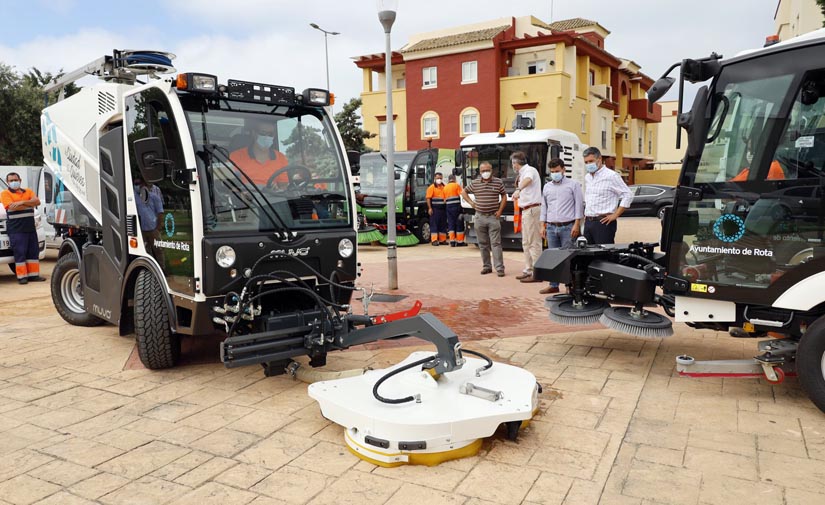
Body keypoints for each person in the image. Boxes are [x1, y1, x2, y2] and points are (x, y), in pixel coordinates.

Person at [539, 158, 584, 294]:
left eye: (557, 171)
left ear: (563, 169)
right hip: (552, 227)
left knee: (568, 257)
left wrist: (577, 224)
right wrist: (542, 225)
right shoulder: (547, 186)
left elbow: (579, 206)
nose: (555, 174)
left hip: (568, 227)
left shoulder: (573, 185)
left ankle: (569, 285)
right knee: (554, 257)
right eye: (552, 172)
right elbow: (544, 207)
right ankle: (553, 284)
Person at [461, 162, 507, 276]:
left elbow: (504, 195)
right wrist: (472, 203)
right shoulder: (475, 183)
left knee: (496, 243)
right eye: (483, 171)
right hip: (479, 216)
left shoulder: (498, 182)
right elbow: (463, 192)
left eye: (487, 170)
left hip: (493, 217)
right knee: (482, 243)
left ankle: (500, 268)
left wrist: (500, 211)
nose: (485, 173)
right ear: (480, 172)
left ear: (492, 170)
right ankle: (486, 266)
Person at [582, 147, 633, 245]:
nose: (588, 164)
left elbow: (628, 194)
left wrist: (616, 214)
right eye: (586, 162)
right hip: (589, 222)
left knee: (604, 256)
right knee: (587, 255)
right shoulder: (588, 177)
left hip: (604, 222)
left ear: (599, 159)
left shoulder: (611, 176)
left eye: (591, 161)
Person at [1, 172, 46, 284]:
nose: (13, 182)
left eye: (15, 179)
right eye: (11, 181)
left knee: (33, 252)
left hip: (30, 228)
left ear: (20, 180)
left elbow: (37, 202)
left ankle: (34, 276)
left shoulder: (28, 191)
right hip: (16, 229)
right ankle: (22, 277)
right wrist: (29, 203)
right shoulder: (5, 193)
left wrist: (22, 202)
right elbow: (11, 206)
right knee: (20, 253)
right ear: (7, 182)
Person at [510, 151, 543, 282]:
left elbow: (528, 181)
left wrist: (519, 189)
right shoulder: (522, 173)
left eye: (513, 163)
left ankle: (537, 272)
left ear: (516, 163)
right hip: (526, 210)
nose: (513, 166)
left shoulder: (529, 170)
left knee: (534, 242)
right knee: (526, 242)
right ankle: (528, 269)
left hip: (532, 209)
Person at [229, 117, 289, 187]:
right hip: (245, 197)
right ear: (254, 133)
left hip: (271, 197)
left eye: (270, 134)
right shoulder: (236, 156)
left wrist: (277, 188)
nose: (267, 137)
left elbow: (283, 186)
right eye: (263, 133)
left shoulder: (280, 157)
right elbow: (230, 186)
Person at [444, 174, 467, 247]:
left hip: (448, 207)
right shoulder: (456, 185)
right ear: (454, 179)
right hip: (456, 206)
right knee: (459, 223)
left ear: (449, 179)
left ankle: (452, 241)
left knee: (451, 224)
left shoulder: (445, 187)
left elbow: (444, 200)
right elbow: (461, 195)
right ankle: (460, 241)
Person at [426, 172, 448, 246]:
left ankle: (442, 240)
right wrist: (430, 208)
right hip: (435, 209)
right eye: (438, 178)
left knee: (443, 224)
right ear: (435, 178)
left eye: (440, 178)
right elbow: (428, 198)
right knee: (434, 224)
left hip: (443, 209)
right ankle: (434, 240)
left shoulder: (444, 187)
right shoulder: (431, 187)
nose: (439, 180)